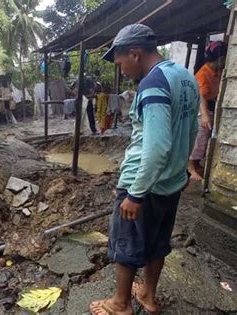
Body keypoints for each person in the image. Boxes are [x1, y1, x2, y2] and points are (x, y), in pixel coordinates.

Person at [89, 24, 199, 315]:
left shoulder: (152, 84)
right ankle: (148, 296)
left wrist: (135, 194)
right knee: (158, 242)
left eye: (120, 63)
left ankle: (120, 304)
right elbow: (192, 130)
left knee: (126, 243)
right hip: (171, 182)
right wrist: (183, 168)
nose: (121, 70)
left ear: (134, 54)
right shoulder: (186, 78)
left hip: (144, 184)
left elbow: (157, 145)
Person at [188, 41, 227, 181]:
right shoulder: (203, 74)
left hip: (210, 106)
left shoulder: (216, 72)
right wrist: (204, 115)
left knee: (205, 139)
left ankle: (196, 164)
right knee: (199, 138)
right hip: (201, 109)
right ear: (221, 59)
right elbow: (201, 96)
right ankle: (191, 168)